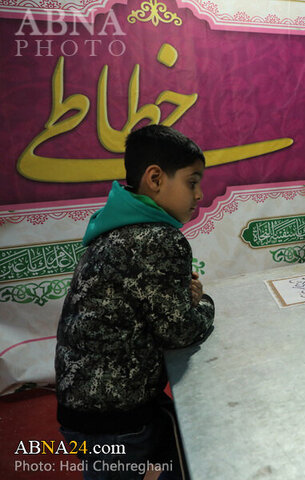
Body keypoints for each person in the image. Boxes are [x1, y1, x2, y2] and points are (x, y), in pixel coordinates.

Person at [55, 125, 215, 479]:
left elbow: (151, 306)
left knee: (188, 447)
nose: (200, 194)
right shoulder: (158, 240)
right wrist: (204, 305)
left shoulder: (115, 228)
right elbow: (180, 330)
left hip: (86, 406)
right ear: (155, 178)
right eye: (192, 182)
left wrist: (180, 300)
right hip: (114, 418)